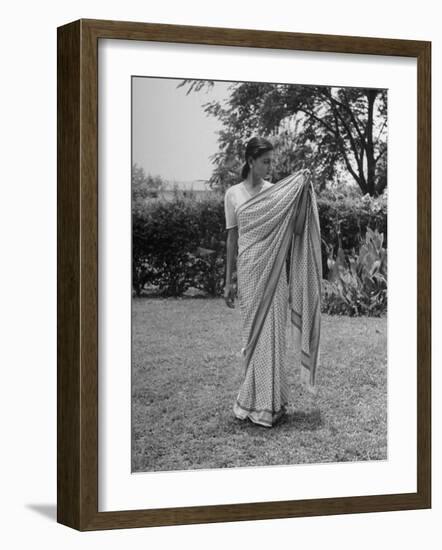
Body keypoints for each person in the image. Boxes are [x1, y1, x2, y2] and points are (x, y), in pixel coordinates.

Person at [223, 137, 322, 428]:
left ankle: (272, 404)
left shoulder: (276, 193)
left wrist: (303, 188)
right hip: (250, 270)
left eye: (271, 162)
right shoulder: (233, 194)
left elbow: (297, 225)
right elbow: (232, 238)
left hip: (274, 272)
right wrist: (228, 280)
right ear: (250, 161)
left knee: (273, 334)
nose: (269, 167)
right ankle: (251, 401)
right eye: (265, 161)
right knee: (253, 336)